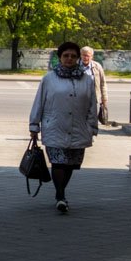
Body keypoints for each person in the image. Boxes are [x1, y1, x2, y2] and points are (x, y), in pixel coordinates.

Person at [29, 41, 97, 213]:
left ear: (78, 59)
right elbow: (39, 102)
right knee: (58, 163)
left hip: (78, 129)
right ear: (59, 57)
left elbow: (92, 105)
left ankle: (60, 194)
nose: (69, 59)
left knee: (70, 165)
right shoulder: (49, 79)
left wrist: (92, 127)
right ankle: (60, 196)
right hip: (54, 128)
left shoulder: (87, 80)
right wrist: (34, 125)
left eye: (73, 56)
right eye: (66, 55)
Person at [81, 46, 109, 125]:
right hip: (79, 98)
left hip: (94, 98)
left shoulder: (97, 66)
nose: (85, 57)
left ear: (91, 56)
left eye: (87, 55)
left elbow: (103, 83)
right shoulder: (76, 66)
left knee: (92, 120)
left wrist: (104, 98)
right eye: (83, 55)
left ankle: (90, 135)